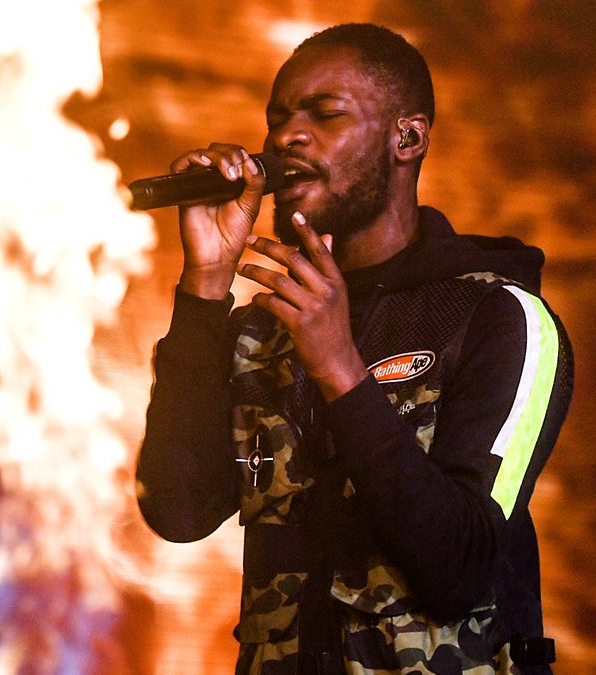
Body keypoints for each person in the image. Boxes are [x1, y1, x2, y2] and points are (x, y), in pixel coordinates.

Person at [136, 23, 572, 674]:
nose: (287, 137)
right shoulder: (265, 328)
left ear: (408, 138)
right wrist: (204, 286)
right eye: (277, 120)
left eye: (325, 114)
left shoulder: (500, 318)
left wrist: (339, 368)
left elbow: (460, 568)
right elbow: (178, 509)